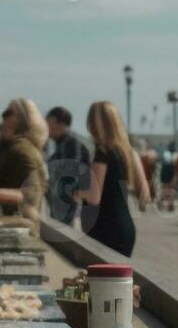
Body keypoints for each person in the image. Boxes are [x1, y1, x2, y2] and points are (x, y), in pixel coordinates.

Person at [75, 101, 151, 257]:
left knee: (101, 279)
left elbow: (94, 197)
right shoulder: (131, 154)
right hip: (125, 228)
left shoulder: (103, 153)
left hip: (104, 229)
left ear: (94, 125)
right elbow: (145, 196)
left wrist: (74, 192)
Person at [0, 98, 49, 222]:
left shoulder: (22, 151)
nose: (2, 118)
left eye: (7, 113)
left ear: (21, 120)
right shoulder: (15, 149)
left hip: (16, 230)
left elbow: (32, 194)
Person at [44, 106, 90, 227]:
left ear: (61, 124)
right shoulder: (62, 144)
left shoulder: (71, 144)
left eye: (49, 122)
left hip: (68, 210)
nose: (46, 127)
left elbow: (72, 176)